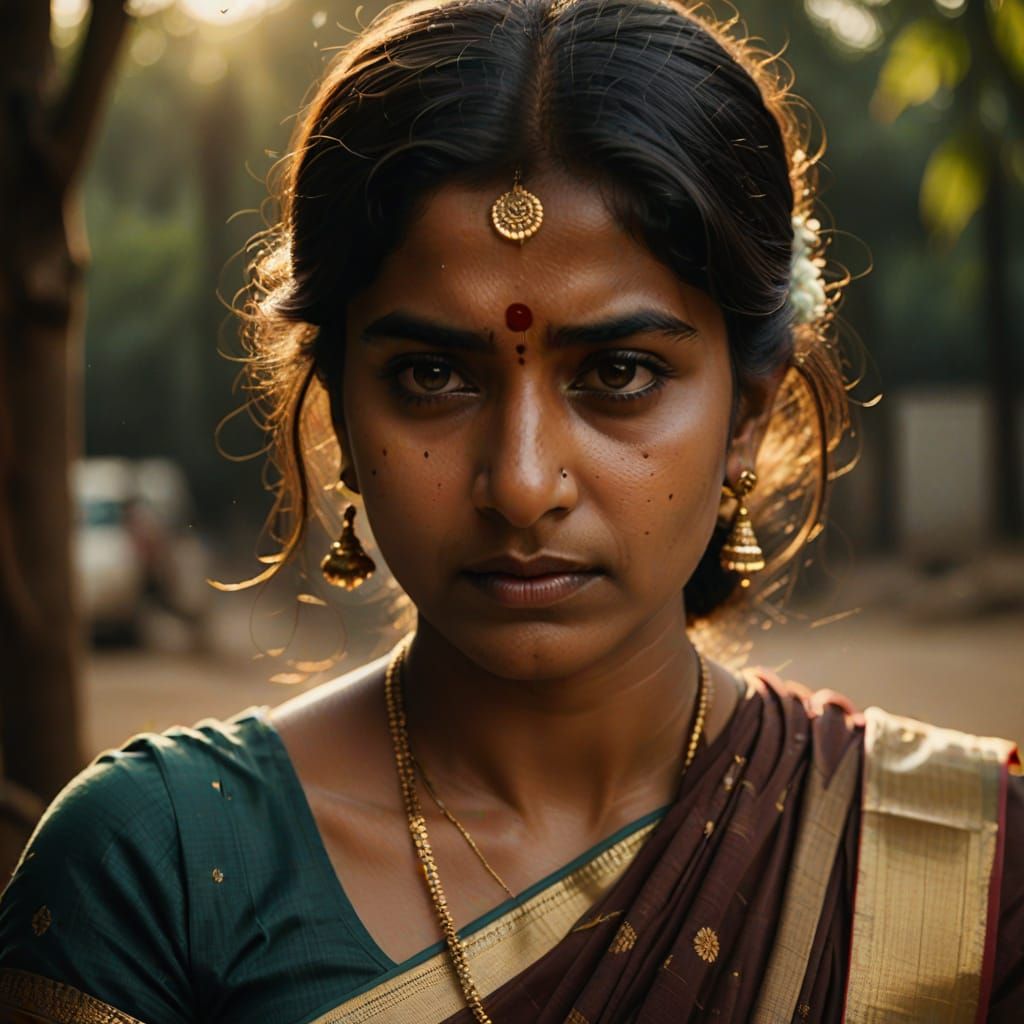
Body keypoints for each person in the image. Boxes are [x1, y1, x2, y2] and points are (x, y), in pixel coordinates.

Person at [0, 0, 1020, 1020]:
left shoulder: (959, 864)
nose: (524, 483)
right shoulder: (159, 873)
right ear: (341, 416)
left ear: (745, 415)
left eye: (619, 371)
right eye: (433, 375)